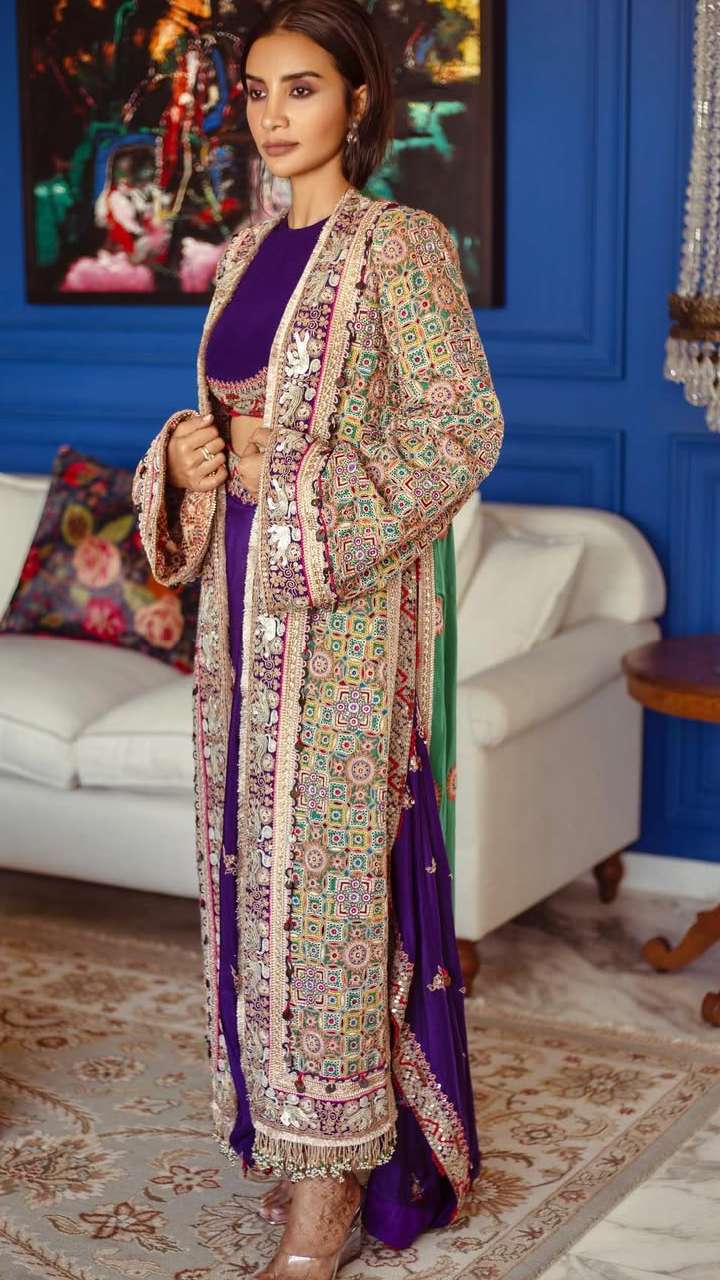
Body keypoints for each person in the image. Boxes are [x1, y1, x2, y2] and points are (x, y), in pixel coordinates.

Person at [131, 1, 504, 1275]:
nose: (274, 114)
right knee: (253, 884)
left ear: (358, 101)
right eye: (257, 90)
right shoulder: (243, 251)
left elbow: (460, 427)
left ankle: (332, 1197)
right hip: (238, 628)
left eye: (302, 88)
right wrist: (185, 459)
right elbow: (223, 421)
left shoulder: (398, 245)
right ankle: (288, 1141)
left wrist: (285, 483)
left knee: (326, 897)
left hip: (340, 629)